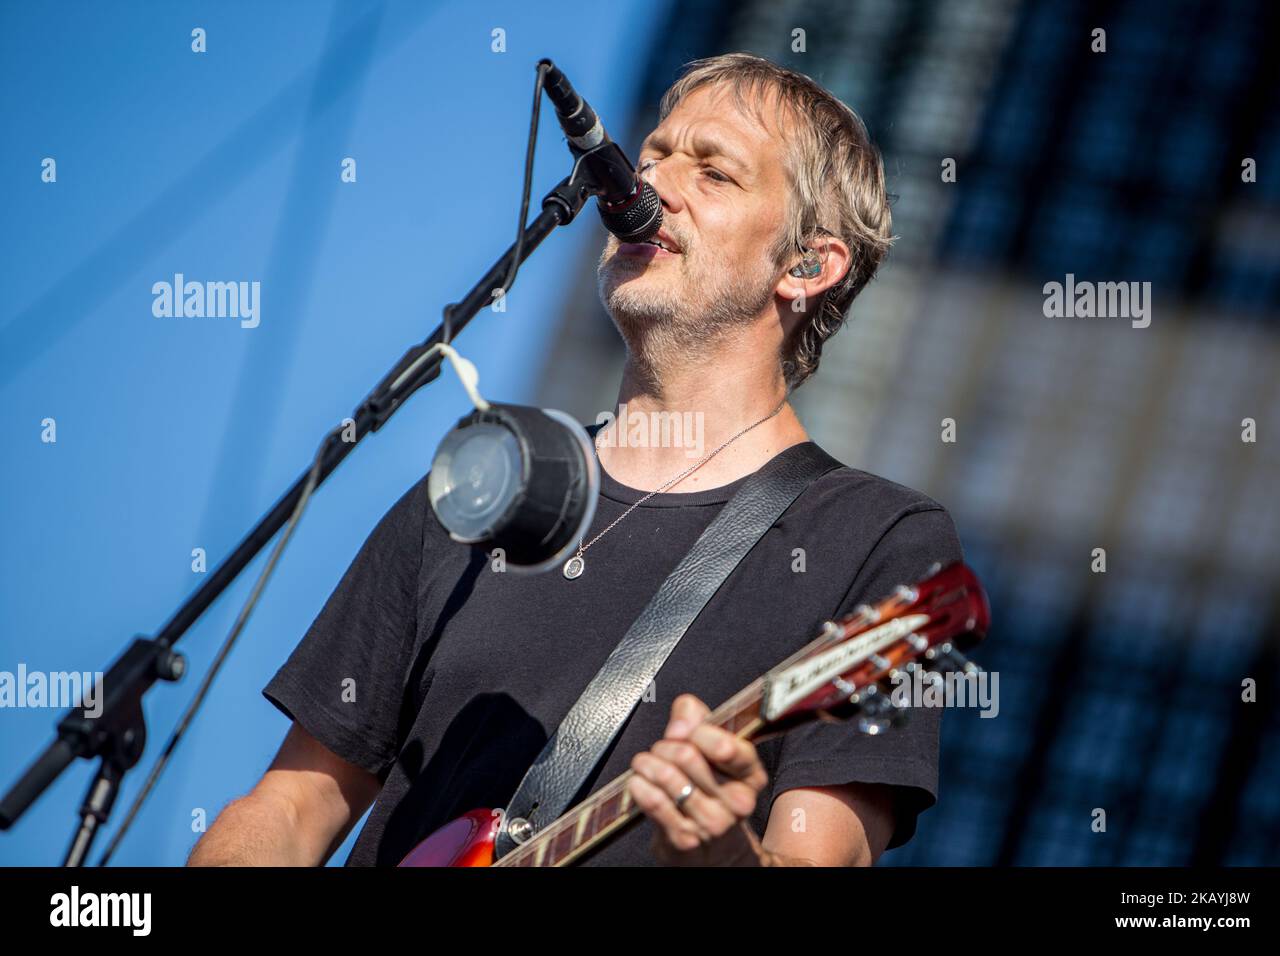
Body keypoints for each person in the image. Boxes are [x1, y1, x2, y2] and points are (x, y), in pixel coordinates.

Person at [187, 52, 962, 868]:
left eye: (714, 173)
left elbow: (816, 860)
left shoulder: (878, 542)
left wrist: (718, 852)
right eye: (653, 154)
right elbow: (296, 801)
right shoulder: (487, 486)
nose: (648, 183)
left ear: (807, 264)